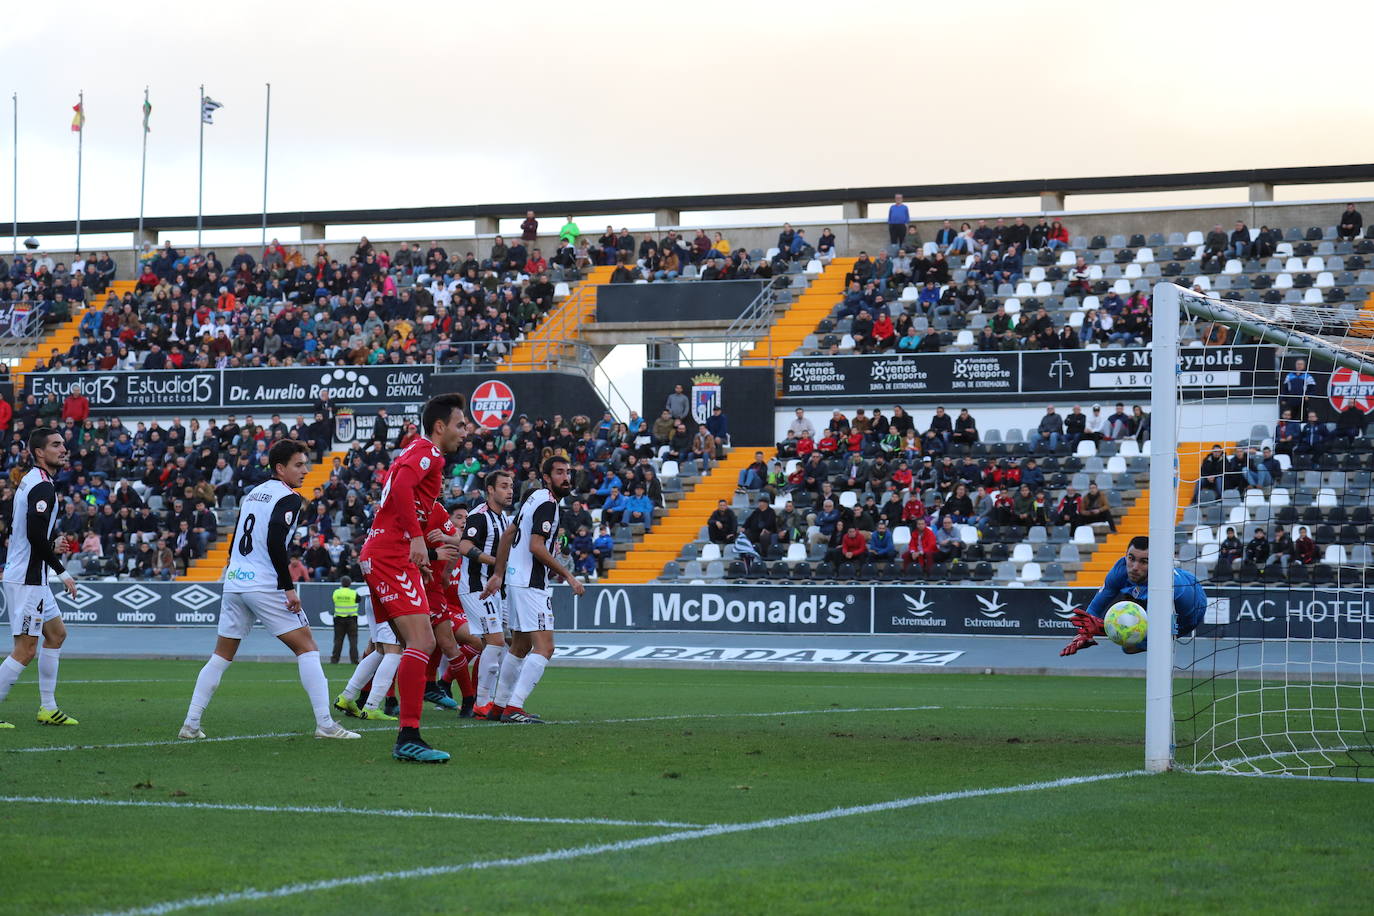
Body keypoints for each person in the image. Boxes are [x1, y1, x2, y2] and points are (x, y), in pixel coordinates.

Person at [179, 439, 359, 741]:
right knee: (308, 648)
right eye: (298, 465)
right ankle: (326, 724)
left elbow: (240, 535)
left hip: (235, 579)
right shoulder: (286, 497)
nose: (305, 470)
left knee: (221, 656)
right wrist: (288, 588)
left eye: (305, 464)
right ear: (280, 468)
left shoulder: (252, 494)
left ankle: (191, 723)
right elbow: (276, 542)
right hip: (262, 582)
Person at [357, 392, 469, 763]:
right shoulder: (429, 452)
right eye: (460, 424)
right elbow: (403, 487)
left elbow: (402, 495)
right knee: (420, 641)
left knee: (410, 643)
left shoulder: (415, 450)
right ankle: (407, 735)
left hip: (390, 553)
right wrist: (418, 539)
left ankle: (402, 726)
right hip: (390, 555)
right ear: (440, 427)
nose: (465, 432)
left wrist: (423, 544)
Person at [481, 455, 586, 724]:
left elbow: (509, 534)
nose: (566, 477)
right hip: (530, 583)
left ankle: (500, 705)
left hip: (516, 580)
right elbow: (535, 546)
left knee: (519, 646)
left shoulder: (533, 498)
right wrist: (570, 576)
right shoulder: (548, 502)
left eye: (568, 472)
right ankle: (515, 706)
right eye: (560, 472)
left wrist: (499, 574)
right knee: (545, 648)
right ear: (547, 477)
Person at [0, 427, 81, 728]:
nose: (63, 449)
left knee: (57, 635)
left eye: (63, 444)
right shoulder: (42, 487)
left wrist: (50, 545)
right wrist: (62, 571)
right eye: (56, 445)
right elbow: (33, 534)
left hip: (34, 576)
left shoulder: (35, 481)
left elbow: (23, 530)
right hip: (28, 579)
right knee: (25, 650)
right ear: (39, 452)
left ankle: (48, 708)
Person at [1060, 537, 1208, 656]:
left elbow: (1149, 628)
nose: (1135, 567)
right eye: (1131, 558)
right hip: (1152, 592)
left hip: (1189, 612)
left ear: (1156, 563)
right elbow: (1097, 605)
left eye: (1144, 562)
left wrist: (1103, 628)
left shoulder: (1170, 587)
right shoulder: (1120, 568)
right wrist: (1083, 634)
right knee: (1127, 608)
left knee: (1128, 647)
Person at [452, 470, 514, 721]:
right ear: (490, 489)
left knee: (500, 644)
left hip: (495, 588)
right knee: (496, 642)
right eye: (503, 486)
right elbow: (464, 546)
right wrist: (495, 561)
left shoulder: (504, 518)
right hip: (476, 587)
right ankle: (481, 702)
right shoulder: (479, 516)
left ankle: (491, 701)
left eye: (510, 486)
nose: (509, 491)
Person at [330, 576, 360, 665]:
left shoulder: (336, 592)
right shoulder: (354, 593)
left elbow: (334, 600)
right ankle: (354, 660)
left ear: (341, 583)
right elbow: (359, 600)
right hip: (351, 619)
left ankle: (334, 660)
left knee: (338, 640)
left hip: (339, 619)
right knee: (353, 641)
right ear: (350, 583)